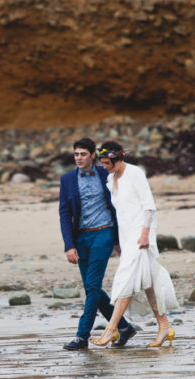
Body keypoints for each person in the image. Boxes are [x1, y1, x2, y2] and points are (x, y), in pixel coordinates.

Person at [90, 141, 178, 348]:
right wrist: (119, 241)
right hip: (127, 235)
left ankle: (110, 330)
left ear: (117, 159)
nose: (104, 167)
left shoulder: (135, 173)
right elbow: (121, 211)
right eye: (102, 163)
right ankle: (164, 326)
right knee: (149, 282)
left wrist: (146, 233)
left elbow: (149, 206)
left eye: (106, 163)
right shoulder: (111, 179)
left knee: (125, 279)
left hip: (141, 234)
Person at [59, 137, 137, 350]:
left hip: (104, 233)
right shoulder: (67, 180)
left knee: (92, 287)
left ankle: (81, 336)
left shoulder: (107, 174)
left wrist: (120, 240)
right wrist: (69, 245)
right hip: (81, 238)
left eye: (83, 154)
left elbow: (121, 206)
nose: (79, 158)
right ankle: (124, 327)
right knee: (92, 288)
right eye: (76, 154)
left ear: (93, 155)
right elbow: (64, 214)